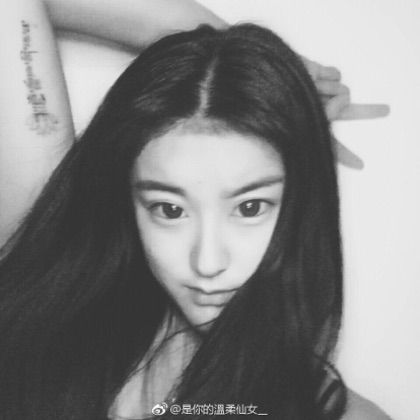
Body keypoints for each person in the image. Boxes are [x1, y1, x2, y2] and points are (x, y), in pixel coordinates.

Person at [0, 1, 391, 419]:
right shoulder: (45, 295)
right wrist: (217, 51)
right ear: (125, 203)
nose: (207, 263)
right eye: (169, 210)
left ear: (300, 202)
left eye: (250, 207)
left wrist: (268, 76)